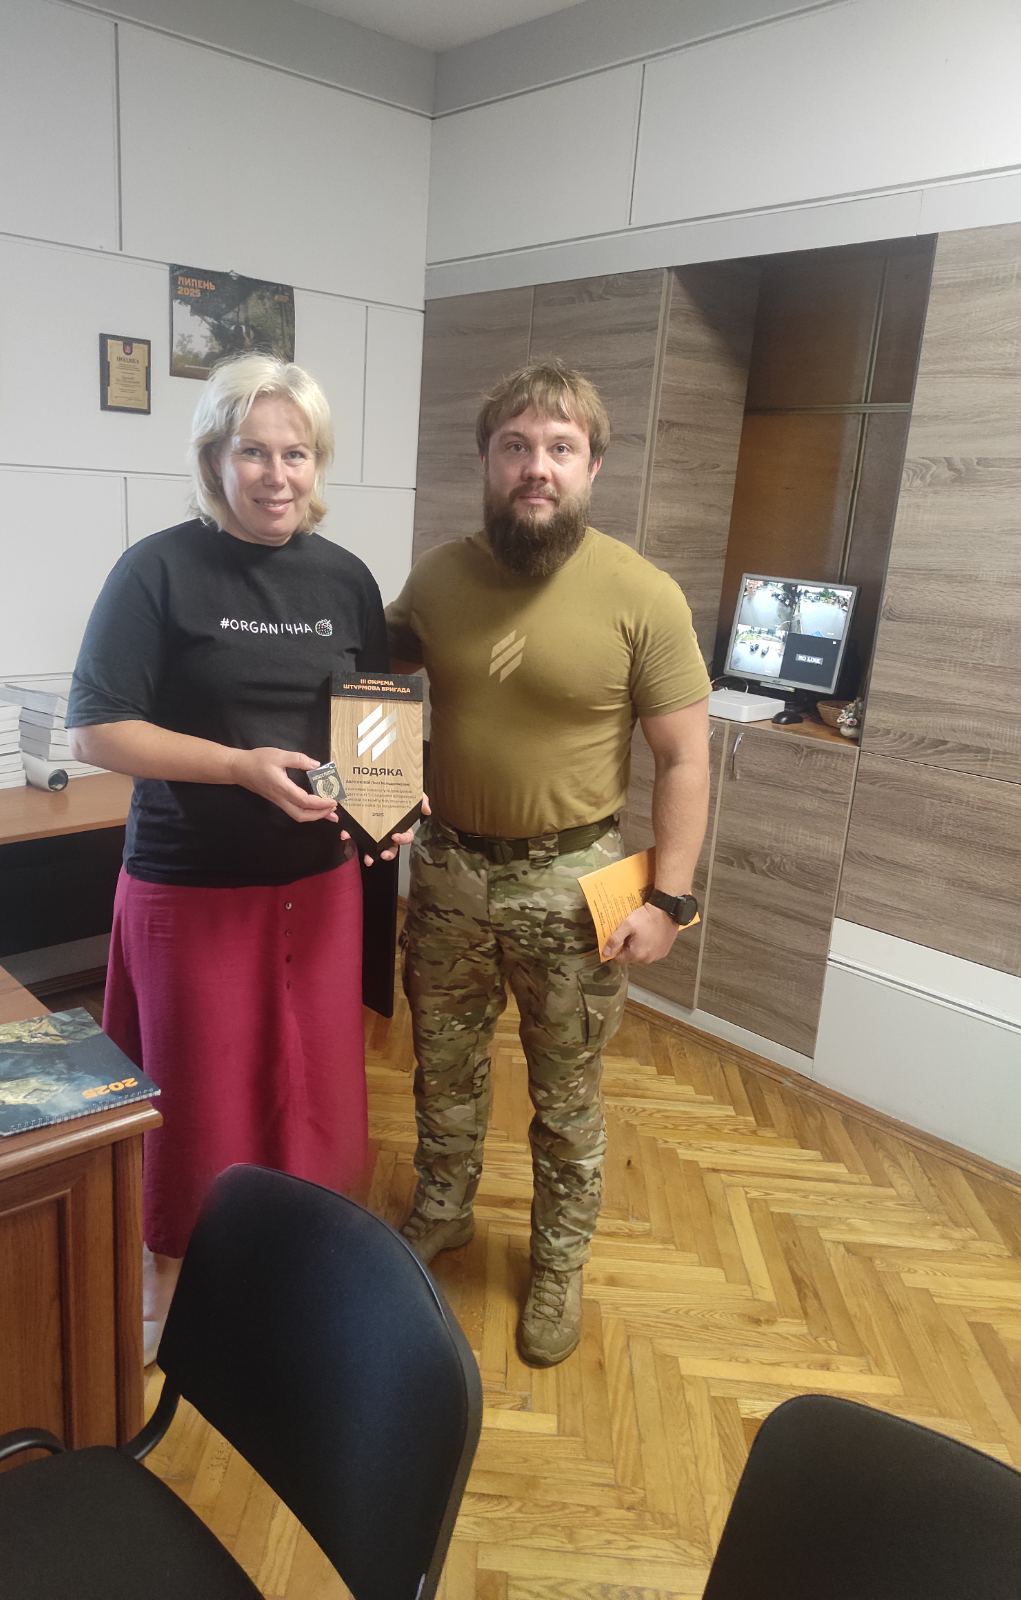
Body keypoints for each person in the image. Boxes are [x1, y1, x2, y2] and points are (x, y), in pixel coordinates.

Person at [67, 353, 407, 1362]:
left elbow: (372, 725)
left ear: (318, 462)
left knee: (307, 1086)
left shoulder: (345, 578)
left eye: (295, 453)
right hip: (192, 889)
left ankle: (296, 1263)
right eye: (252, 452)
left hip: (319, 887)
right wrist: (235, 767)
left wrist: (391, 802)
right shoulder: (157, 571)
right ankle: (168, 1284)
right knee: (197, 1096)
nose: (275, 474)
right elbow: (97, 730)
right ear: (214, 458)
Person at [386, 360, 711, 1367]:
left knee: (566, 1092)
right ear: (487, 460)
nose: (537, 466)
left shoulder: (642, 595)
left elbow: (685, 759)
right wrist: (374, 804)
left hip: (573, 885)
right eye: (516, 446)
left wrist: (670, 901)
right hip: (447, 873)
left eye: (560, 448)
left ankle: (558, 1261)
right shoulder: (435, 581)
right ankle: (443, 1206)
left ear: (592, 465)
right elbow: (369, 693)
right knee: (442, 1065)